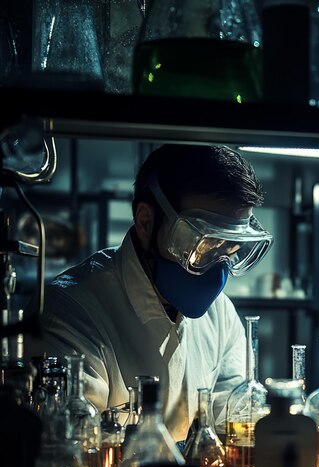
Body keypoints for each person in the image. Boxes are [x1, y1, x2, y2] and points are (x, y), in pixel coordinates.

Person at [25, 144, 272, 443]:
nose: (219, 263)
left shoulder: (221, 315)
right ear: (146, 222)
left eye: (231, 246)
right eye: (205, 242)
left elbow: (234, 422)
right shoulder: (69, 313)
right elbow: (72, 451)